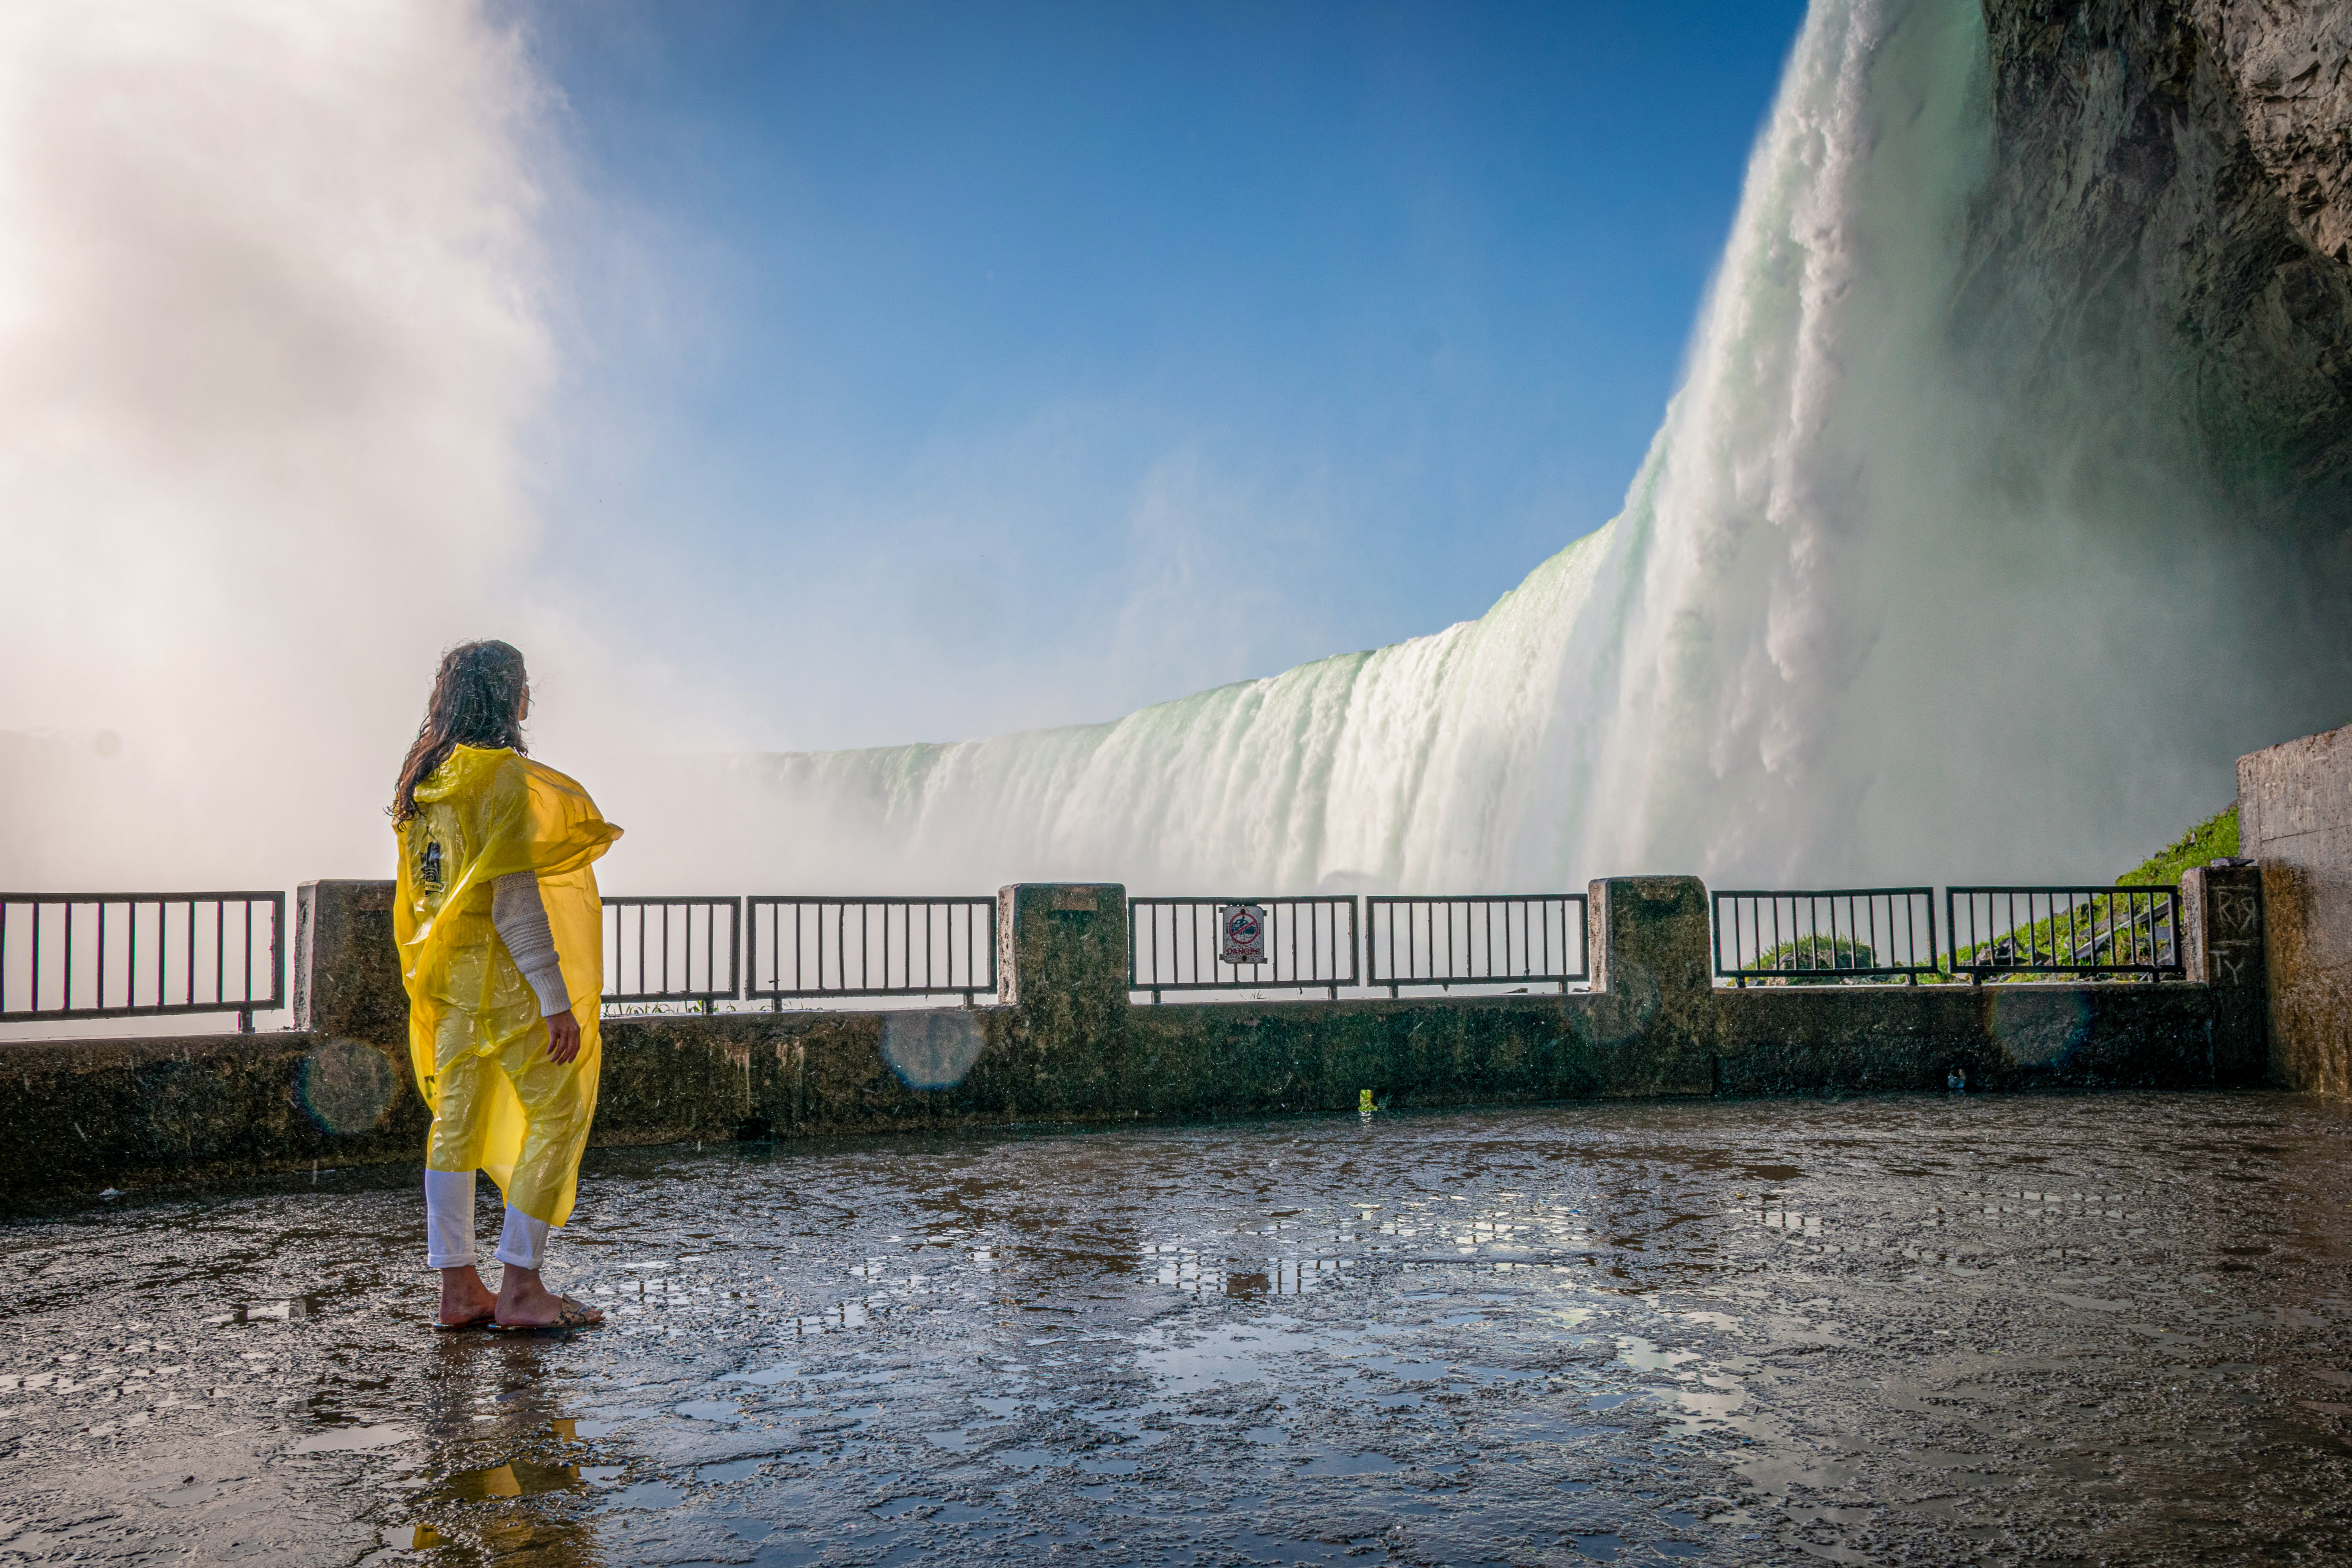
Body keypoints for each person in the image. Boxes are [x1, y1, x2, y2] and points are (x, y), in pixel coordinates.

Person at [389, 640, 622, 1331]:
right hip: (507, 988)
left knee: (452, 1127)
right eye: (522, 686)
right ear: (506, 697)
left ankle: (458, 1290)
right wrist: (557, 1001)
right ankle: (521, 1286)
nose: (529, 699)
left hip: (448, 985)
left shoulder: (421, 782)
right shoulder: (502, 781)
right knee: (559, 1110)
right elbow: (515, 905)